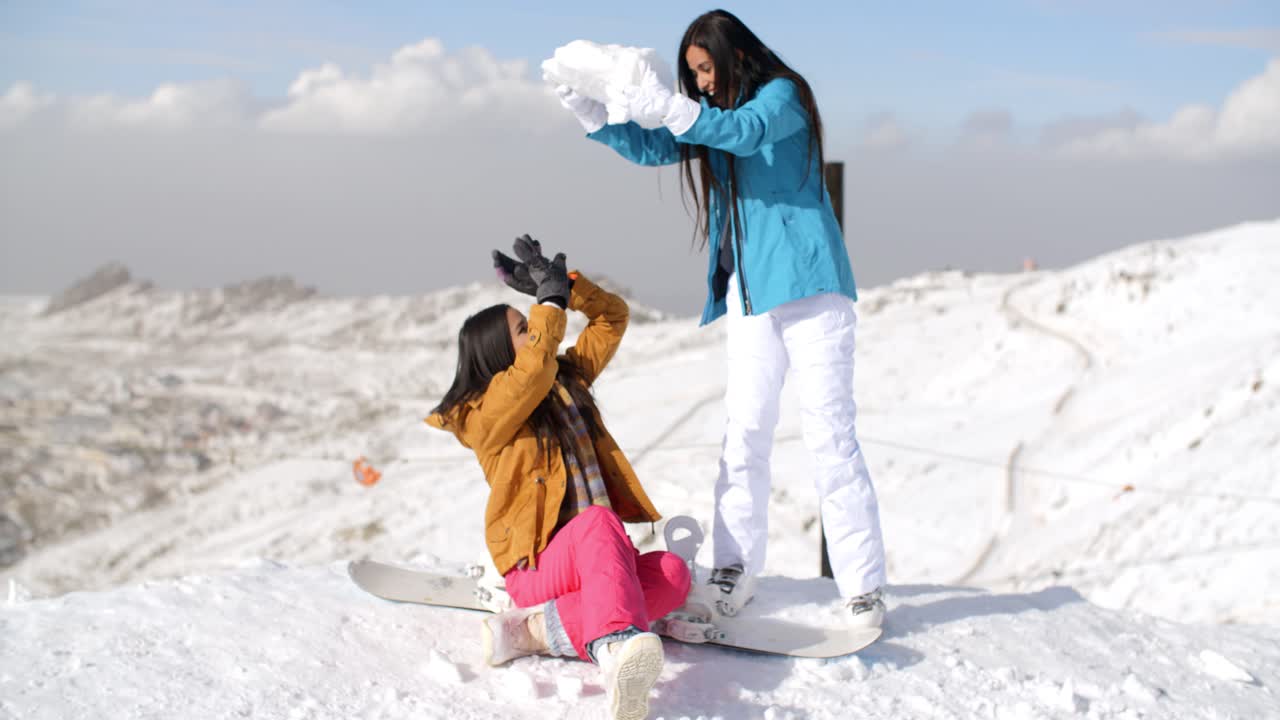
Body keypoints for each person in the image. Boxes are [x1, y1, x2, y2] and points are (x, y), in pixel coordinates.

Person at [551, 9, 887, 627]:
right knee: (745, 434)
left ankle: (862, 587)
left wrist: (675, 107)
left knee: (829, 438)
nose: (700, 82)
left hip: (813, 292)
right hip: (751, 298)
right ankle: (733, 569)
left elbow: (746, 132)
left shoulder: (783, 97)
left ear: (735, 56)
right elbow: (661, 145)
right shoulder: (714, 117)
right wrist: (593, 115)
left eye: (705, 69)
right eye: (692, 75)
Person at [426, 235, 690, 720]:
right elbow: (527, 377)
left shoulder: (565, 380)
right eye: (524, 329)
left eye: (532, 324)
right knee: (597, 522)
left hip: (594, 559)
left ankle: (537, 631)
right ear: (496, 356)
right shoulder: (484, 415)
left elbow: (613, 318)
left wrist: (565, 286)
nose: (537, 332)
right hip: (537, 565)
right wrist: (548, 303)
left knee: (672, 575)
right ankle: (614, 646)